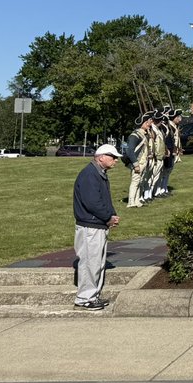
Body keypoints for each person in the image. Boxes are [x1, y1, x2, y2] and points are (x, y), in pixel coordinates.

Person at [73, 145, 122, 310]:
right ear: (101, 157)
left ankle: (92, 296)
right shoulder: (89, 175)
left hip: (97, 224)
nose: (115, 160)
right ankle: (85, 298)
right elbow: (92, 202)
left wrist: (111, 215)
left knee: (97, 263)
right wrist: (108, 217)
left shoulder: (99, 174)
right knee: (90, 262)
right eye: (112, 157)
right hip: (90, 226)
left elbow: (103, 200)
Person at [125, 112, 153, 207]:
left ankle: (137, 200)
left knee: (140, 182)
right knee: (135, 182)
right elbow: (130, 151)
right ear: (143, 123)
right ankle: (131, 201)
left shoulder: (143, 134)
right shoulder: (135, 135)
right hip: (138, 163)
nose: (149, 124)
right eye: (148, 122)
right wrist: (135, 164)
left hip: (143, 162)